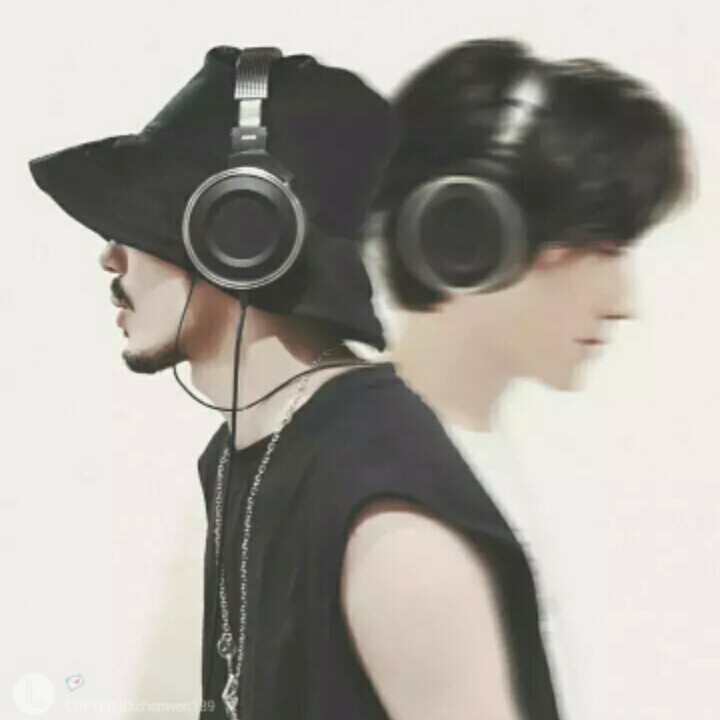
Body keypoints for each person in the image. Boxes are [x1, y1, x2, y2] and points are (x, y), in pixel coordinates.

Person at [29, 45, 561, 720]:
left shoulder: (386, 518)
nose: (110, 256)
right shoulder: (244, 459)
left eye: (138, 226)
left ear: (240, 235)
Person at [365, 38, 691, 719]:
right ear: (472, 230)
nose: (624, 301)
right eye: (604, 248)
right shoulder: (393, 510)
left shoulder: (454, 456)